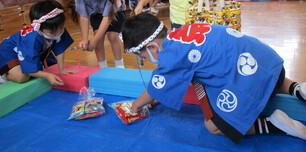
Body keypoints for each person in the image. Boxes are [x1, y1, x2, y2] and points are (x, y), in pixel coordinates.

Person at [121, 13, 306, 144]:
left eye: (143, 56)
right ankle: (297, 88)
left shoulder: (171, 56)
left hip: (251, 82)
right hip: (271, 62)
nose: (147, 60)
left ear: (152, 48)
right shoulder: (185, 29)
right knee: (268, 76)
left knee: (213, 127)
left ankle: (273, 124)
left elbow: (155, 88)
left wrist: (135, 106)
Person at [0, 0, 75, 87]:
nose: (58, 33)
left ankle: (16, 69)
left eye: (61, 28)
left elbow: (60, 48)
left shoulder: (56, 27)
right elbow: (29, 68)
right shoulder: (31, 39)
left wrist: (62, 68)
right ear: (39, 28)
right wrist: (47, 76)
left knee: (35, 70)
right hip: (8, 51)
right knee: (22, 77)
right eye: (52, 33)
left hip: (25, 50)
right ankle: (5, 75)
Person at [68, 0, 126, 68]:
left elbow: (107, 18)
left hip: (115, 13)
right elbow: (84, 18)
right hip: (97, 13)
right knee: (97, 36)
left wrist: (94, 41)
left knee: (112, 36)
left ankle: (120, 65)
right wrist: (85, 39)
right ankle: (102, 66)